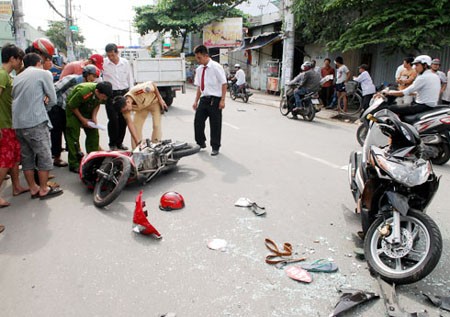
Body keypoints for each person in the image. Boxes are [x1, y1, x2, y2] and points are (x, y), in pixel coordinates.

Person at [12, 53, 63, 200]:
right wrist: (43, 109)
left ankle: (33, 188)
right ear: (39, 63)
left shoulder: (17, 77)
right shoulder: (44, 73)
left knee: (27, 157)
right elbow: (53, 99)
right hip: (35, 122)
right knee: (44, 156)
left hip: (18, 124)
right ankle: (43, 189)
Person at [51, 65, 101, 168]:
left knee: (71, 133)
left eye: (96, 77)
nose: (94, 79)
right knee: (57, 132)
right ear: (86, 74)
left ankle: (75, 154)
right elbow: (54, 89)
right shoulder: (71, 79)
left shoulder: (90, 86)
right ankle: (57, 157)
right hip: (58, 107)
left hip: (71, 109)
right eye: (93, 76)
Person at [0, 44, 29, 209]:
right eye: (20, 60)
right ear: (13, 58)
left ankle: (17, 186)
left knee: (14, 158)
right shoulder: (2, 75)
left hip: (11, 124)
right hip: (3, 125)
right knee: (5, 161)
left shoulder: (8, 76)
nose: (21, 64)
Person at [65, 81, 113, 173]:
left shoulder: (102, 94)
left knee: (94, 134)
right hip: (73, 111)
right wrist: (83, 120)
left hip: (87, 109)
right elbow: (72, 105)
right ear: (97, 91)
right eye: (103, 96)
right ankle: (74, 163)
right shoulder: (85, 92)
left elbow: (97, 104)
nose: (104, 99)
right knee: (73, 136)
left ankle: (93, 159)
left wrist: (94, 117)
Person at [192, 45, 227, 156]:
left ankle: (215, 147)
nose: (198, 60)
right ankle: (201, 142)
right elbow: (199, 87)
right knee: (198, 121)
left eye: (199, 57)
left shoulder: (216, 67)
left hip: (215, 100)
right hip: (204, 99)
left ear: (206, 56)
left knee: (215, 124)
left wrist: (222, 100)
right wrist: (195, 101)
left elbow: (224, 83)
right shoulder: (199, 69)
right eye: (197, 57)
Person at [103, 43, 134, 151]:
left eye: (113, 55)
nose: (111, 58)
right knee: (113, 120)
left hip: (123, 93)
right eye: (109, 55)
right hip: (111, 95)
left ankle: (119, 143)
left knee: (123, 120)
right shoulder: (104, 63)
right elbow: (99, 78)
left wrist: (130, 96)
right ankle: (112, 143)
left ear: (117, 53)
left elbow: (130, 78)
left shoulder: (125, 63)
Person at [122, 81, 168, 148]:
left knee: (156, 126)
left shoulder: (139, 90)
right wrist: (137, 141)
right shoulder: (123, 107)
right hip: (141, 108)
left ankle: (156, 146)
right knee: (136, 127)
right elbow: (130, 124)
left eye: (127, 109)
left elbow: (152, 84)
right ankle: (136, 150)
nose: (128, 111)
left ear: (128, 102)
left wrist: (160, 100)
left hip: (154, 103)